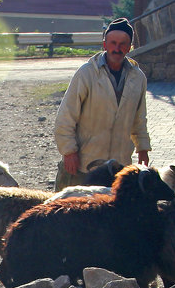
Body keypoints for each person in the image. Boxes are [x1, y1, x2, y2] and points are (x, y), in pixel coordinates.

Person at [53, 17, 152, 191]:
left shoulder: (138, 78)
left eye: (123, 44)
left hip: (119, 167)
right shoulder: (86, 74)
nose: (117, 48)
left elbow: (139, 118)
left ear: (130, 47)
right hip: (85, 163)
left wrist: (142, 147)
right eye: (113, 43)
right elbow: (65, 116)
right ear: (105, 45)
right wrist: (68, 151)